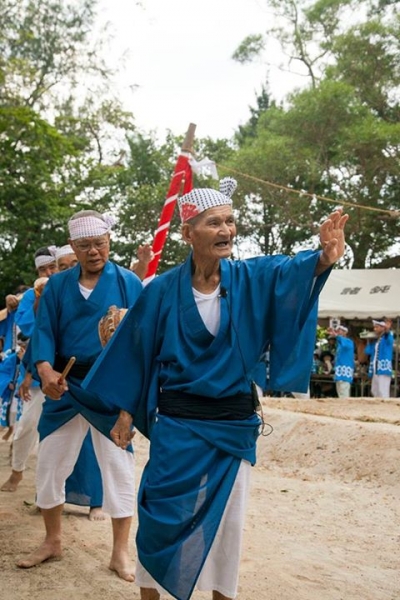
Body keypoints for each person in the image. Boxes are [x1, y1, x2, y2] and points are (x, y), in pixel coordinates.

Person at [83, 178, 349, 600]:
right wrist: (126, 412)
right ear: (188, 233)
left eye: (230, 221)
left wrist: (321, 259)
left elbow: (287, 271)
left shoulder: (249, 277)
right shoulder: (162, 290)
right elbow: (137, 351)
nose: (226, 230)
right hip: (177, 426)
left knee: (227, 528)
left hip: (232, 425)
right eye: (213, 223)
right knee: (158, 522)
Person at [18, 210, 143, 582]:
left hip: (111, 387)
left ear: (109, 241)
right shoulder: (57, 286)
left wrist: (129, 406)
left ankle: (120, 552)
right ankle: (52, 540)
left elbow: (139, 344)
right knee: (50, 464)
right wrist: (44, 370)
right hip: (65, 384)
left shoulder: (128, 283)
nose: (93, 252)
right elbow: (44, 331)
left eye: (100, 244)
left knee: (118, 469)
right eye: (85, 245)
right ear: (72, 247)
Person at [1, 247, 59, 492]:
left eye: (52, 267)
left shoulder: (72, 288)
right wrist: (37, 300)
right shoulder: (29, 297)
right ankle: (17, 471)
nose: (48, 272)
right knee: (28, 424)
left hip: (71, 371)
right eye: (42, 269)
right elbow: (29, 330)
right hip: (39, 370)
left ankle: (54, 487)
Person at [364, 318, 394, 398]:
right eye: (374, 327)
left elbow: (389, 338)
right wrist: (369, 341)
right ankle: (378, 409)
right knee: (374, 390)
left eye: (377, 327)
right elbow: (367, 352)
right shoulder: (377, 341)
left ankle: (385, 409)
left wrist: (387, 329)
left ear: (382, 327)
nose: (375, 329)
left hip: (383, 368)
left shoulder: (387, 336)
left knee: (382, 391)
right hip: (375, 369)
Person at [328, 325, 355, 398]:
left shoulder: (349, 342)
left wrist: (336, 336)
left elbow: (345, 345)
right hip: (339, 371)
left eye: (340, 330)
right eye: (337, 331)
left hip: (345, 370)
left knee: (344, 391)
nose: (338, 332)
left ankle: (346, 407)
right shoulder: (339, 345)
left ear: (345, 332)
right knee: (340, 391)